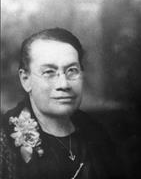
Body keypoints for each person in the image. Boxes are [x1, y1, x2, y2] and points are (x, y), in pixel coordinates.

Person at [0, 28, 125, 179]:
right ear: (26, 79)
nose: (64, 84)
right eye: (49, 72)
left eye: (72, 70)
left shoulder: (96, 132)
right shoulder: (4, 140)